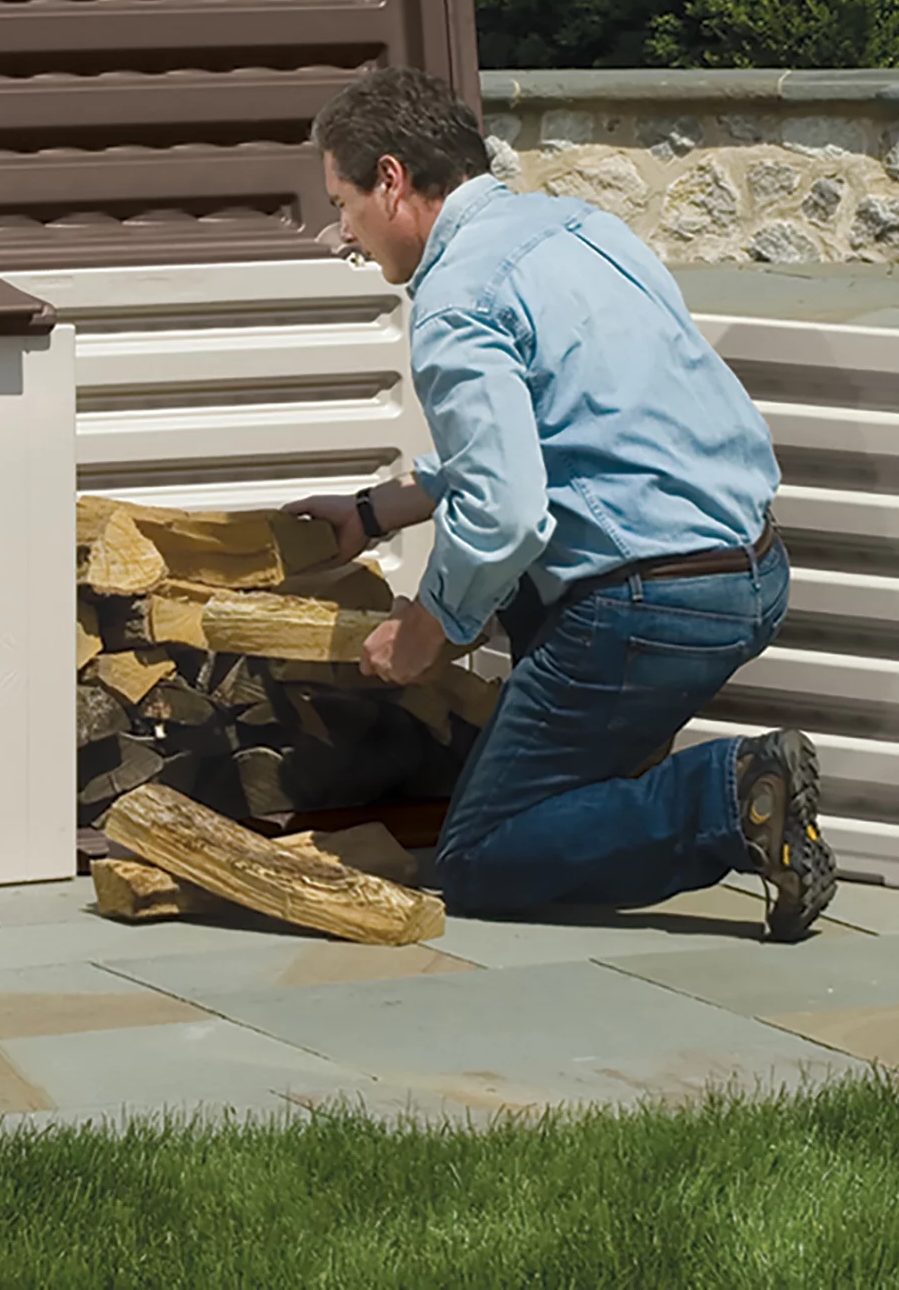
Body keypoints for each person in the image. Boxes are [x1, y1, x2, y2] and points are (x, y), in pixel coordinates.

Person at [287, 66, 835, 940]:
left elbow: (505, 513)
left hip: (651, 607)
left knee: (478, 856)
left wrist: (428, 629)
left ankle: (731, 797)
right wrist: (378, 509)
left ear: (391, 181)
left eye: (343, 204)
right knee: (541, 670)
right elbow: (556, 432)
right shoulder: (578, 224)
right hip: (757, 574)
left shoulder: (455, 300)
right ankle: (657, 790)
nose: (344, 235)